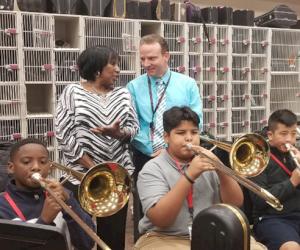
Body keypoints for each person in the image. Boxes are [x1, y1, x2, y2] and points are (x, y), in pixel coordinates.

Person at [55, 46, 139, 250]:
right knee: (80, 235)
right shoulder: (72, 92)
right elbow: (63, 133)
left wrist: (117, 133)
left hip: (116, 179)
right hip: (79, 175)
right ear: (97, 68)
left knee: (112, 238)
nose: (118, 69)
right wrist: (94, 169)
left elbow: (134, 128)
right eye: (113, 64)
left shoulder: (123, 94)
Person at [135, 106, 247, 249]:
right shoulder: (152, 169)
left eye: (194, 132)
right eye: (181, 133)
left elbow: (235, 203)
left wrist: (221, 169)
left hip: (211, 235)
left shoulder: (208, 163)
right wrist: (189, 176)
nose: (189, 138)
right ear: (166, 137)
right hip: (164, 237)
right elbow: (160, 219)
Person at [127, 34, 202, 240]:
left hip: (181, 154)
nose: (146, 64)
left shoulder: (187, 84)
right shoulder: (133, 86)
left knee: (185, 200)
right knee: (148, 210)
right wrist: (152, 148)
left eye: (152, 58)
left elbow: (197, 121)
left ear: (166, 56)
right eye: (142, 59)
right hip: (147, 156)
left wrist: (171, 147)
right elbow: (134, 123)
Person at [0, 138, 94, 250]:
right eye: (26, 162)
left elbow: (87, 243)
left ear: (49, 168)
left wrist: (69, 201)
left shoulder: (63, 195)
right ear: (11, 168)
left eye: (43, 162)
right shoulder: (2, 206)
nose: (36, 167)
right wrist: (44, 221)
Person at [249, 109, 300, 250]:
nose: (289, 139)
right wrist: (292, 182)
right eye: (283, 134)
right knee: (292, 247)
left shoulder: (296, 154)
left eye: (293, 133)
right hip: (270, 219)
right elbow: (259, 200)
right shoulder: (258, 159)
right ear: (270, 135)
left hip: (297, 215)